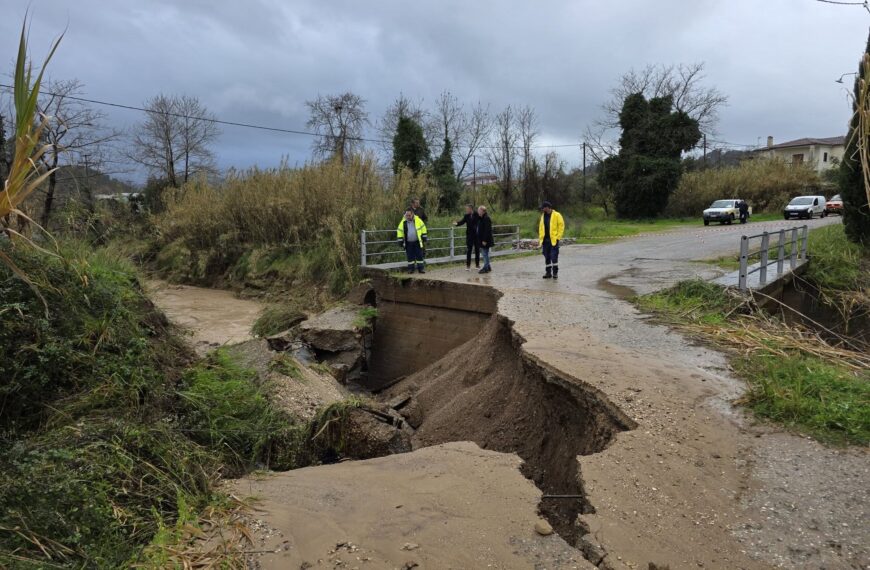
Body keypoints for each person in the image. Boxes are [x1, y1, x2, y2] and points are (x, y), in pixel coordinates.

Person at [538, 201, 564, 279]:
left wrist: (558, 237)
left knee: (554, 257)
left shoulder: (557, 215)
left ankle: (555, 273)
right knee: (547, 257)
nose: (542, 209)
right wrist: (540, 238)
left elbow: (561, 226)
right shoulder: (543, 216)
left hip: (553, 240)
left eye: (543, 208)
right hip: (545, 241)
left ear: (547, 207)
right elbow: (541, 228)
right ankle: (548, 273)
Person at [396, 208, 428, 274]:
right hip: (408, 243)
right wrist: (400, 241)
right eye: (406, 215)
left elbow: (423, 228)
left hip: (417, 241)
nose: (408, 217)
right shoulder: (403, 222)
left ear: (412, 214)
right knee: (410, 256)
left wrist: (424, 236)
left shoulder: (418, 220)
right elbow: (399, 231)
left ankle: (421, 269)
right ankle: (411, 269)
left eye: (409, 215)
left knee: (419, 255)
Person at [454, 204, 480, 271]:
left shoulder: (476, 214)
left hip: (476, 235)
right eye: (466, 209)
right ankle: (468, 266)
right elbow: (462, 222)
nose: (466, 210)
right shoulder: (466, 216)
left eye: (467, 209)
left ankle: (477, 265)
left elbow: (480, 221)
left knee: (477, 250)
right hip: (469, 235)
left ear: (471, 209)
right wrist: (456, 223)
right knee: (469, 250)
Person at [476, 205, 493, 274]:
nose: (478, 212)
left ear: (483, 211)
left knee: (485, 254)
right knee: (485, 253)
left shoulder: (486, 218)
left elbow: (487, 230)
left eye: (479, 211)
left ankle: (485, 268)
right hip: (482, 239)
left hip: (485, 240)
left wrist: (484, 240)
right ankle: (488, 266)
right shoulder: (482, 218)